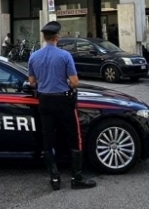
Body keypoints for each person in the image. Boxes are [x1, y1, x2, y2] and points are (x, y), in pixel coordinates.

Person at [27, 21, 97, 191]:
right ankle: (76, 177)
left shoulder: (33, 57)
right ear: (57, 37)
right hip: (63, 102)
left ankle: (55, 177)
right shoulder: (65, 56)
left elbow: (32, 82)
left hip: (45, 102)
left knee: (48, 139)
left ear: (44, 37)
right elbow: (74, 82)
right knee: (74, 137)